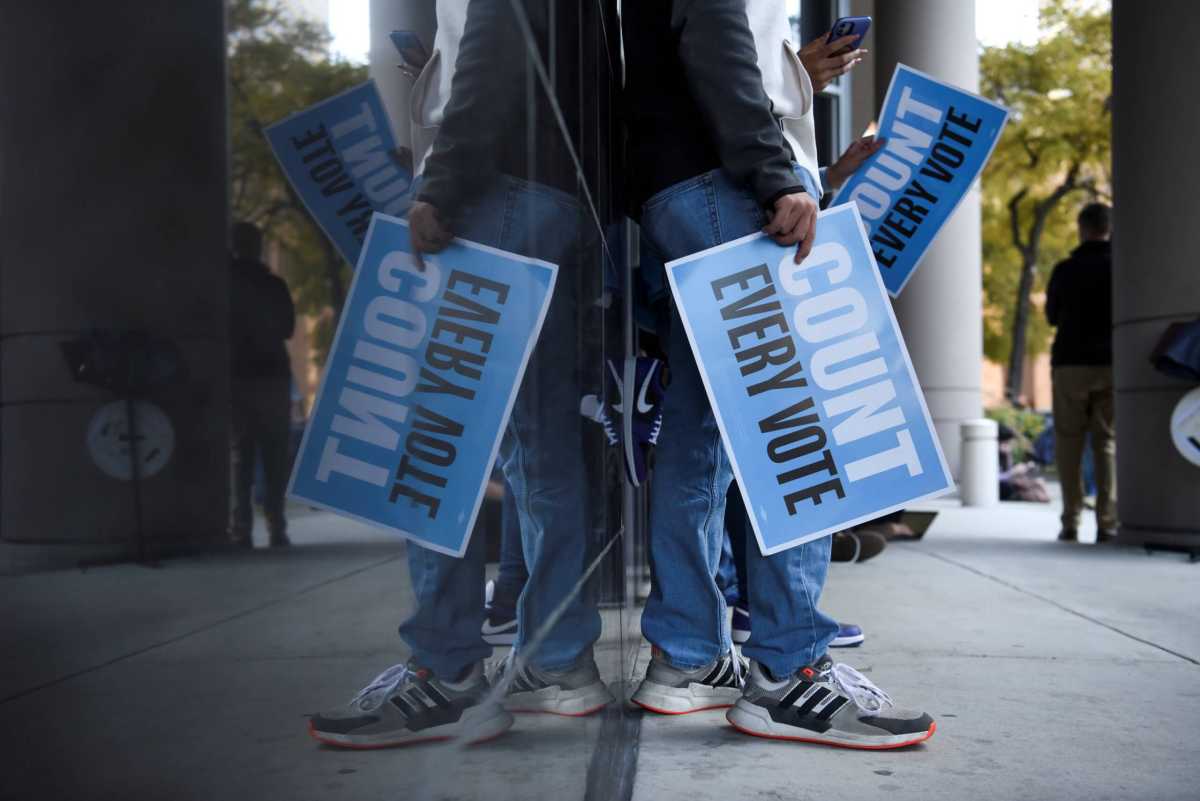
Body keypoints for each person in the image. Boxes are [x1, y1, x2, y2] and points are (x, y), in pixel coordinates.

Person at [624, 0, 934, 748]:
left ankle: (688, 656)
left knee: (704, 434)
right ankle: (789, 671)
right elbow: (717, 38)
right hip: (727, 191)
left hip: (684, 188)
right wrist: (774, 176)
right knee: (798, 427)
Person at [309, 0, 616, 749]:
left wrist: (440, 185)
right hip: (559, 200)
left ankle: (447, 670)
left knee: (435, 438)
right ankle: (558, 659)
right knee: (542, 448)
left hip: (496, 197)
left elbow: (494, 49)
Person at [1045, 202, 1117, 543]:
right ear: (1109, 228)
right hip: (1111, 363)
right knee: (1106, 443)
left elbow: (1052, 316)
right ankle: (1107, 522)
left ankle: (1070, 522)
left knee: (1069, 444)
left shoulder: (1065, 270)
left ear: (1082, 228)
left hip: (1070, 362)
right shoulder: (1121, 267)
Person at [228, 221, 295, 549]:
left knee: (241, 455)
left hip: (239, 377)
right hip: (272, 376)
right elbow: (288, 328)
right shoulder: (273, 285)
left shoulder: (224, 285)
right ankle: (276, 526)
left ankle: (241, 528)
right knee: (274, 456)